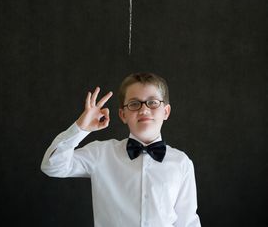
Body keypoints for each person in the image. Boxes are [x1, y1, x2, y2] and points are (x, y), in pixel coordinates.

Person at [41, 72, 201, 227]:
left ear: (166, 111)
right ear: (123, 115)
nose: (144, 110)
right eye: (134, 104)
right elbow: (52, 165)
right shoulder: (101, 154)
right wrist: (81, 127)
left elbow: (187, 222)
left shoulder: (181, 163)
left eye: (152, 102)